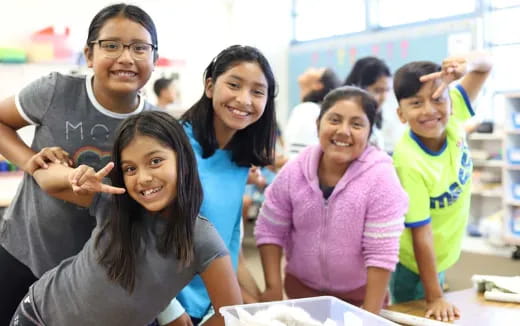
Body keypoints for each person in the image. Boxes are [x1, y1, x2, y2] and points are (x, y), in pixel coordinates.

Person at [0, 3, 159, 323]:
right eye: (112, 45)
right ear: (89, 55)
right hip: (23, 252)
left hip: (93, 272)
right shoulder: (56, 91)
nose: (126, 58)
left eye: (139, 48)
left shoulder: (155, 123)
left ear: (154, 59)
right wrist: (31, 160)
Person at [9, 111, 241, 326]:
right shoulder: (114, 202)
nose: (144, 178)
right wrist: (72, 175)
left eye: (155, 161)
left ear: (183, 159)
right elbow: (46, 180)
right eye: (130, 169)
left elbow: (231, 314)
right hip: (38, 315)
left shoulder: (202, 238)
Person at [255, 86, 409, 314]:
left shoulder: (381, 178)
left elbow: (381, 252)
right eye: (334, 120)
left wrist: (370, 313)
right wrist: (273, 288)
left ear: (369, 132)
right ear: (318, 124)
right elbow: (270, 229)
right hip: (301, 294)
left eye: (356, 124)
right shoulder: (294, 170)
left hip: (359, 298)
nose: (343, 131)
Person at [159, 45, 277, 326]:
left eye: (257, 91)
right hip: (161, 305)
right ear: (210, 86)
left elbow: (228, 240)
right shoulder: (171, 145)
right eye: (234, 85)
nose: (244, 99)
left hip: (209, 306)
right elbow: (137, 233)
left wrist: (252, 303)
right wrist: (168, 311)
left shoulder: (240, 158)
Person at [389, 53, 492, 322]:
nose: (429, 110)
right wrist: (434, 295)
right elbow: (420, 234)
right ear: (401, 114)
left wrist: (466, 66)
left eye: (437, 98)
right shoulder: (408, 161)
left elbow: (485, 67)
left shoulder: (454, 110)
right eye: (415, 103)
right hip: (415, 264)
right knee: (417, 317)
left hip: (441, 256)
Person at [285, 67, 341, 159]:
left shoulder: (307, 109)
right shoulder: (313, 109)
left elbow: (297, 158)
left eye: (317, 70)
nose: (310, 69)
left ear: (318, 85)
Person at [344, 56, 391, 149]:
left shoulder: (374, 121)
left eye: (386, 90)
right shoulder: (343, 126)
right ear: (359, 88)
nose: (383, 98)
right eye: (378, 90)